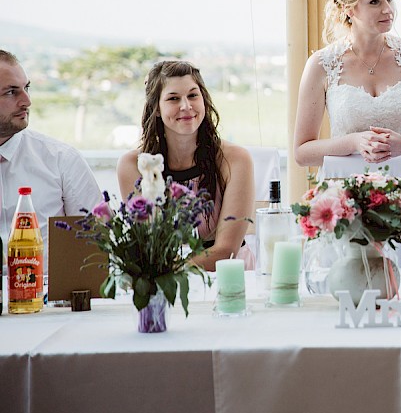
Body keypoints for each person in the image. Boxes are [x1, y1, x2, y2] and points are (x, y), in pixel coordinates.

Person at [293, 0, 401, 167]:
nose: (388, 10)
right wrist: (353, 142)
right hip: (344, 190)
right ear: (348, 8)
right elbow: (301, 153)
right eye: (375, 2)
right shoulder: (321, 65)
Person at [117, 61, 254, 271]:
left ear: (204, 101)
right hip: (166, 283)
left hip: (228, 275)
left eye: (193, 95)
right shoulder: (133, 166)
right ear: (156, 109)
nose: (186, 106)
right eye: (173, 98)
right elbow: (148, 245)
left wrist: (168, 271)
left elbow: (227, 250)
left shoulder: (236, 159)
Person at [0, 50, 102, 257]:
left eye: (26, 88)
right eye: (11, 92)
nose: (27, 101)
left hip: (46, 289)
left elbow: (98, 248)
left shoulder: (62, 160)